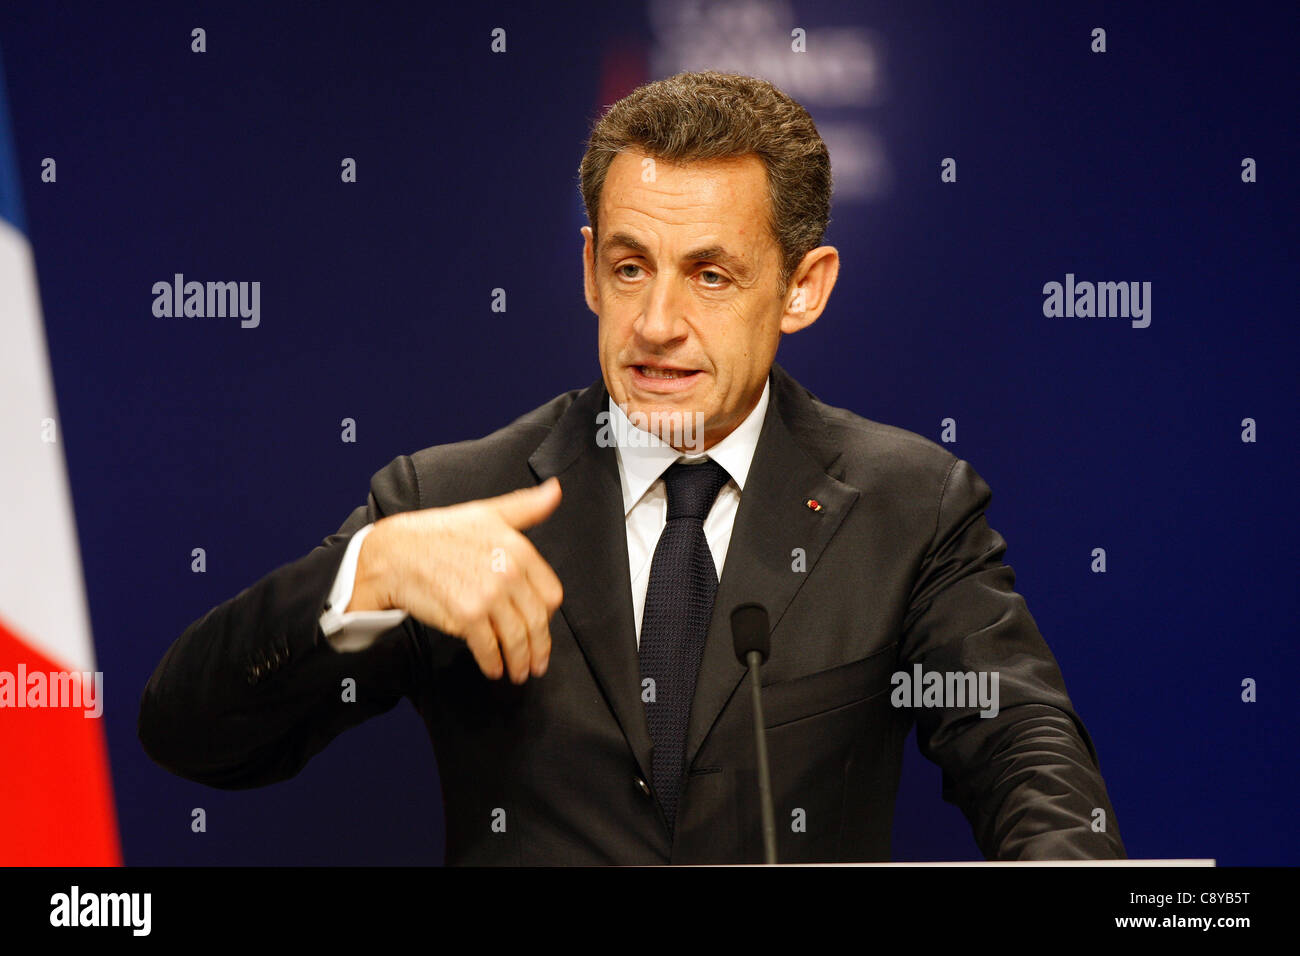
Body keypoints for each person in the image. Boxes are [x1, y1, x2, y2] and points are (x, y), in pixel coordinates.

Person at [139, 70, 1125, 864]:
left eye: (709, 273)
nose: (656, 324)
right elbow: (192, 730)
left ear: (802, 287)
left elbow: (1016, 741)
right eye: (628, 267)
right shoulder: (451, 501)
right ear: (586, 270)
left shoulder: (909, 507)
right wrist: (369, 571)